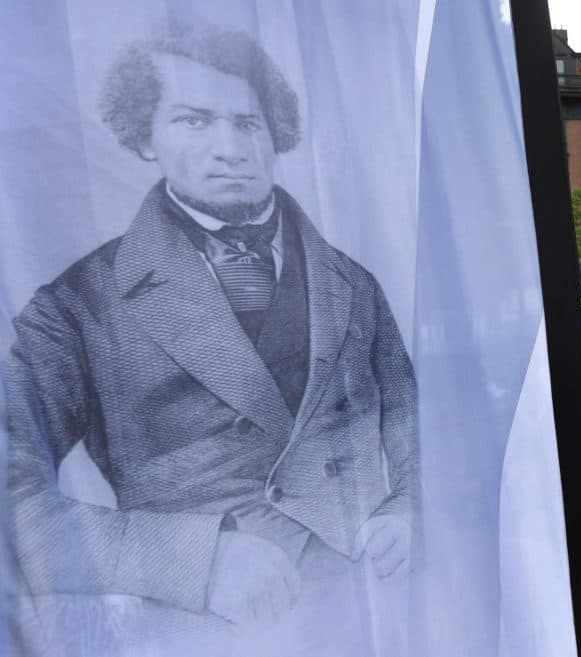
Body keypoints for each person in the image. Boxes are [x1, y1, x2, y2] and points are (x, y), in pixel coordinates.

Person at [4, 21, 418, 653]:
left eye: (248, 123)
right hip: (202, 635)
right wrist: (192, 562)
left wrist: (408, 505)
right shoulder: (74, 308)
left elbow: (413, 416)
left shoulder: (352, 284)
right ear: (144, 135)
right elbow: (13, 497)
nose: (230, 147)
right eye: (194, 121)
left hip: (371, 618)